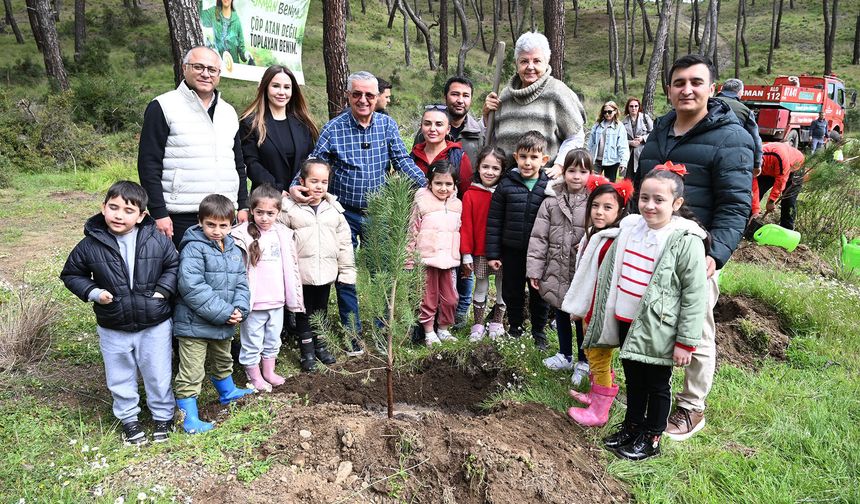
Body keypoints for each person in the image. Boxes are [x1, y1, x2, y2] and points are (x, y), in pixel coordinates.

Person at [635, 54, 754, 441]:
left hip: (695, 251)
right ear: (669, 89)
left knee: (696, 329)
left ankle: (692, 406)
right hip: (654, 245)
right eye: (679, 82)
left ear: (712, 88)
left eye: (695, 82)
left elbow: (737, 205)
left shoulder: (730, 137)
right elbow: (643, 186)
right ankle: (657, 394)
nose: (687, 89)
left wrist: (714, 253)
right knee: (656, 320)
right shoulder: (660, 130)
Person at [288, 71, 427, 355]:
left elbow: (401, 160)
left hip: (378, 212)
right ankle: (353, 333)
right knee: (346, 275)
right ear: (348, 96)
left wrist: (427, 187)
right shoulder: (334, 128)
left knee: (380, 273)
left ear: (378, 98)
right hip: (343, 214)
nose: (363, 100)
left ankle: (380, 331)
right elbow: (315, 162)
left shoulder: (387, 126)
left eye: (369, 95)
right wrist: (294, 186)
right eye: (357, 94)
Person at [593, 165, 709, 461]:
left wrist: (686, 341)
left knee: (657, 383)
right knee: (634, 378)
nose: (650, 206)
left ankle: (652, 436)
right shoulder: (632, 227)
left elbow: (694, 295)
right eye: (644, 198)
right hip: (626, 319)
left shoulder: (685, 240)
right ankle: (632, 427)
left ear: (677, 204)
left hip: (659, 326)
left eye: (659, 200)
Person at [61, 181, 179, 446]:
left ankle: (163, 415)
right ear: (103, 208)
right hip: (113, 323)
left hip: (154, 323)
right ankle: (129, 418)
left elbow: (174, 265)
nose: (118, 215)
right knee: (119, 374)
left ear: (141, 216)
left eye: (127, 210)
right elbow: (71, 273)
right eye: (113, 207)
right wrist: (94, 292)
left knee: (157, 371)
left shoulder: (156, 241)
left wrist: (162, 290)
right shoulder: (90, 244)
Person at [137, 46, 249, 249]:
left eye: (212, 69)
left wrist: (243, 205)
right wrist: (159, 212)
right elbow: (148, 164)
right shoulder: (163, 106)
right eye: (198, 67)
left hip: (224, 216)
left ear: (219, 74)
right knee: (183, 276)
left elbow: (238, 164)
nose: (205, 74)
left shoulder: (229, 112)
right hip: (181, 215)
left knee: (221, 276)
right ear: (185, 68)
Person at [173, 194, 254, 434]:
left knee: (223, 359)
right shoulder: (193, 248)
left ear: (232, 225)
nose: (217, 231)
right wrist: (225, 312)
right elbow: (191, 286)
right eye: (211, 224)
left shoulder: (232, 249)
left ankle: (228, 393)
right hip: (194, 324)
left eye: (223, 225)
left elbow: (241, 281)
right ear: (200, 221)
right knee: (192, 369)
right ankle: (188, 418)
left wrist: (240, 309)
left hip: (224, 321)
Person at [561, 176, 632, 427]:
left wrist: (589, 309)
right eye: (595, 206)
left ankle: (600, 411)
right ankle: (596, 394)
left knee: (598, 354)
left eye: (607, 207)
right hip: (588, 305)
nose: (599, 212)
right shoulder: (595, 234)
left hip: (600, 309)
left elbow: (605, 282)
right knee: (593, 353)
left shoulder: (613, 240)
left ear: (621, 211)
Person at [279, 160, 356, 371]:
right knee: (303, 312)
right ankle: (307, 352)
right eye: (314, 181)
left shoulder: (334, 210)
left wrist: (347, 271)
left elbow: (344, 244)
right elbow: (279, 239)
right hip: (301, 273)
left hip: (325, 272)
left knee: (321, 310)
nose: (319, 186)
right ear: (302, 181)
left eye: (324, 181)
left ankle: (321, 346)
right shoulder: (289, 209)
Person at [231, 184, 304, 391]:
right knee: (252, 340)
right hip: (254, 302)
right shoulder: (241, 234)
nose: (264, 218)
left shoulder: (283, 233)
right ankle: (254, 376)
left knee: (273, 338)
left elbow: (290, 267)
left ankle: (269, 371)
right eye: (259, 212)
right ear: (252, 211)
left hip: (277, 299)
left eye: (270, 213)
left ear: (278, 212)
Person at [483, 32, 586, 177]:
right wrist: (487, 116)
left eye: (537, 61)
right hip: (507, 183)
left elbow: (575, 136)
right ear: (516, 64)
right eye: (524, 61)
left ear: (547, 62)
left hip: (544, 185)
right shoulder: (505, 95)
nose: (530, 67)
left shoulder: (557, 92)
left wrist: (559, 166)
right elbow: (493, 138)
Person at [527, 149, 590, 376]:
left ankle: (584, 360)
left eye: (582, 172)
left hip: (581, 270)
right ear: (564, 172)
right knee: (561, 310)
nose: (576, 176)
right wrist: (535, 270)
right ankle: (565, 354)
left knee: (580, 315)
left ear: (590, 174)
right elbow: (539, 238)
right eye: (572, 170)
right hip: (556, 266)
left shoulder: (594, 201)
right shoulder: (551, 201)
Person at [486, 131, 551, 349]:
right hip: (511, 250)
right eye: (523, 156)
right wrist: (493, 253)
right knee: (512, 291)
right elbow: (494, 220)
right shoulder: (506, 185)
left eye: (534, 157)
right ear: (516, 157)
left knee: (539, 293)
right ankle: (515, 327)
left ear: (544, 160)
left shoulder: (549, 188)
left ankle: (539, 332)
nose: (528, 162)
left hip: (539, 254)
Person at [406, 160, 463, 346]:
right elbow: (412, 231)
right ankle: (429, 331)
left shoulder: (457, 205)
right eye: (438, 183)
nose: (443, 188)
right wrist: (408, 259)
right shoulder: (422, 201)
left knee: (451, 298)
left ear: (454, 185)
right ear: (429, 183)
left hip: (448, 260)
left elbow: (460, 231)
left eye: (448, 184)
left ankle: (444, 328)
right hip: (426, 260)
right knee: (428, 297)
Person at [240, 65, 318, 194]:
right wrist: (277, 190)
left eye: (287, 87)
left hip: (300, 198)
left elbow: (310, 161)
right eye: (275, 86)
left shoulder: (303, 123)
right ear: (265, 88)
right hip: (267, 200)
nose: (282, 92)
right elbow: (252, 164)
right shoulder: (250, 123)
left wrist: (299, 188)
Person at [461, 146, 507, 342]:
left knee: (502, 286)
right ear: (478, 168)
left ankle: (498, 322)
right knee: (480, 285)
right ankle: (478, 324)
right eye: (485, 167)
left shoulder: (505, 193)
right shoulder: (470, 194)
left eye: (495, 168)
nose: (490, 172)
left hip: (502, 252)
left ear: (502, 171)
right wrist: (466, 253)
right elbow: (467, 226)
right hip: (480, 252)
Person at [415, 76, 485, 173]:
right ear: (445, 97)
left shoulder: (478, 133)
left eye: (466, 96)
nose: (460, 100)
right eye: (455, 94)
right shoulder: (429, 131)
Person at [411, 105, 473, 197]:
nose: (432, 129)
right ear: (421, 127)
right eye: (427, 124)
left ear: (448, 129)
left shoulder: (459, 157)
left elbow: (466, 194)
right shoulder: (413, 157)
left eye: (439, 124)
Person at [752, 142, 805, 230]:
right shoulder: (751, 163)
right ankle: (749, 222)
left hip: (793, 167)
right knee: (758, 193)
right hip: (769, 169)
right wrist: (755, 210)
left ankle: (787, 229)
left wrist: (771, 201)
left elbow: (781, 180)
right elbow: (754, 189)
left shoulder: (778, 155)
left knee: (788, 202)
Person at [715, 78, 763, 173]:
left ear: (722, 89)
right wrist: (757, 163)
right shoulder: (745, 111)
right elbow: (755, 139)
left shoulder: (706, 103)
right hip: (730, 157)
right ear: (740, 92)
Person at [200, 0, 251, 67]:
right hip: (216, 66)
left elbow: (241, 48)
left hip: (233, 69)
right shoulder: (213, 12)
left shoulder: (237, 21)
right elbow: (201, 17)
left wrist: (246, 54)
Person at [588, 101, 629, 182]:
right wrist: (587, 157)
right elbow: (590, 143)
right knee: (593, 183)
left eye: (609, 112)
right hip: (596, 160)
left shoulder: (620, 126)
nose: (607, 114)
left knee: (609, 185)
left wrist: (623, 162)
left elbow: (623, 146)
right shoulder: (597, 125)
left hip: (612, 161)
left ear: (615, 111)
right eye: (605, 112)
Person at [622, 97, 653, 178]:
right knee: (628, 178)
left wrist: (642, 138)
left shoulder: (645, 118)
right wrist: (630, 143)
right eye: (631, 106)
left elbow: (654, 132)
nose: (634, 108)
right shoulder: (623, 122)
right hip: (629, 154)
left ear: (639, 107)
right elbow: (620, 139)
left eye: (636, 106)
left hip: (643, 153)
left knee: (643, 177)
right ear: (628, 108)